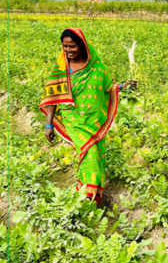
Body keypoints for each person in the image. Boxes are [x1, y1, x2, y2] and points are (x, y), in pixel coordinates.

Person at [40, 28, 137, 203]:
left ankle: (92, 195)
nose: (68, 51)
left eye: (72, 47)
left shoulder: (97, 67)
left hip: (93, 119)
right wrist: (49, 124)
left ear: (83, 46)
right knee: (89, 152)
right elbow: (52, 97)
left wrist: (124, 86)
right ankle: (87, 197)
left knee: (98, 153)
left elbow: (108, 87)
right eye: (65, 46)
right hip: (74, 120)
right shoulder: (61, 68)